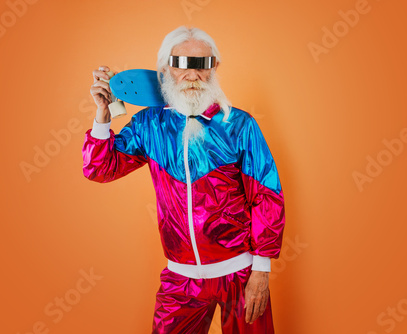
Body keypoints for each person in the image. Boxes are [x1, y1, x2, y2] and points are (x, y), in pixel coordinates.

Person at [82, 25, 285, 334]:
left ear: (214, 67)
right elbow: (100, 168)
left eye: (202, 65)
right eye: (182, 64)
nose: (192, 75)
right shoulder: (149, 125)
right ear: (166, 69)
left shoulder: (239, 125)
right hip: (181, 278)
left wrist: (261, 269)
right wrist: (102, 115)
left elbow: (267, 196)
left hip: (240, 273)